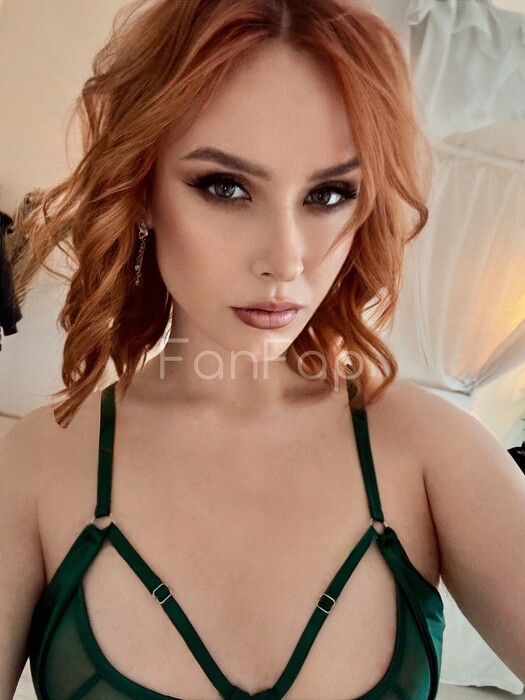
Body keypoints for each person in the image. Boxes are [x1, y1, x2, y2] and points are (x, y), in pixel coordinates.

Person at [1, 0, 524, 698]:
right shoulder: (33, 472)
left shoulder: (437, 454)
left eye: (329, 194)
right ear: (143, 187)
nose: (285, 260)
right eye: (225, 187)